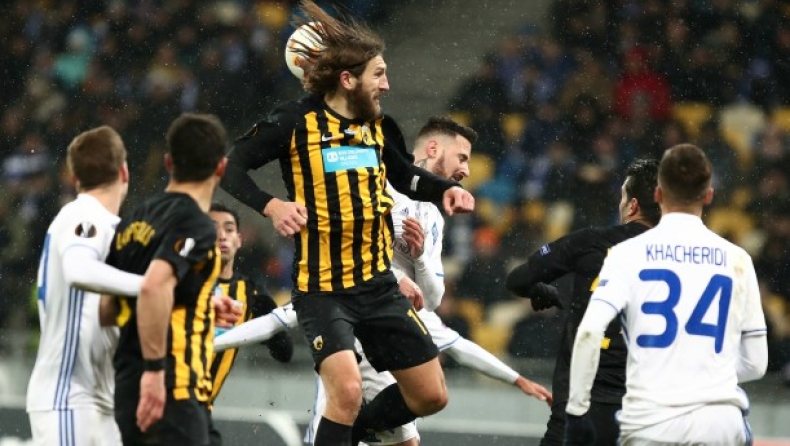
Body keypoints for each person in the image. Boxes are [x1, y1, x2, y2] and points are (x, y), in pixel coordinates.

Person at [219, 1, 475, 445]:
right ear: (347, 79)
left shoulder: (378, 126)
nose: (387, 84)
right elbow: (231, 168)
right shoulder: (295, 122)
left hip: (378, 286)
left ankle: (354, 435)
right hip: (323, 290)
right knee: (347, 391)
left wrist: (443, 190)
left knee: (431, 395)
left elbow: (405, 175)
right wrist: (272, 206)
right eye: (379, 74)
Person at [216, 116, 551, 445]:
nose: (466, 169)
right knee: (350, 402)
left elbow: (432, 300)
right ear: (433, 148)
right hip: (350, 319)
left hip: (391, 331)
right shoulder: (373, 184)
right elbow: (332, 251)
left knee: (423, 405)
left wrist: (419, 258)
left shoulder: (433, 216)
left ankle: (354, 431)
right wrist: (393, 276)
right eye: (462, 157)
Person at [564, 144, 768, 446]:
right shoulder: (738, 259)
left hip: (652, 420)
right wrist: (703, 374)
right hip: (720, 423)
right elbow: (756, 364)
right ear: (708, 195)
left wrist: (576, 413)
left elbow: (589, 332)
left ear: (658, 194)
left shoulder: (626, 254)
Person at [506, 158, 662, 446]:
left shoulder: (592, 242)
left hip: (582, 404)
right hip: (650, 412)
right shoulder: (683, 263)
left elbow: (517, 280)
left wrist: (542, 290)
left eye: (623, 197)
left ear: (632, 206)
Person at [107, 113, 232, 446]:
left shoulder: (134, 219)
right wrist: (154, 371)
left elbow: (108, 307)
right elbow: (153, 286)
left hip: (128, 386)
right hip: (170, 386)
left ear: (168, 162)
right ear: (221, 167)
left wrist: (201, 301)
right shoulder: (195, 223)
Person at [26, 126, 145, 446]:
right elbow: (78, 269)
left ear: (75, 178)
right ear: (124, 171)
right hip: (68, 397)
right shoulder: (84, 215)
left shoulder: (115, 229)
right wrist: (152, 286)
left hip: (101, 400)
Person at [206, 202, 294, 446]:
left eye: (228, 229)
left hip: (200, 413)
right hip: (160, 401)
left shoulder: (251, 295)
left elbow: (284, 353)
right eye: (212, 229)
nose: (221, 236)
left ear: (239, 240)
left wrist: (271, 324)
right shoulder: (175, 282)